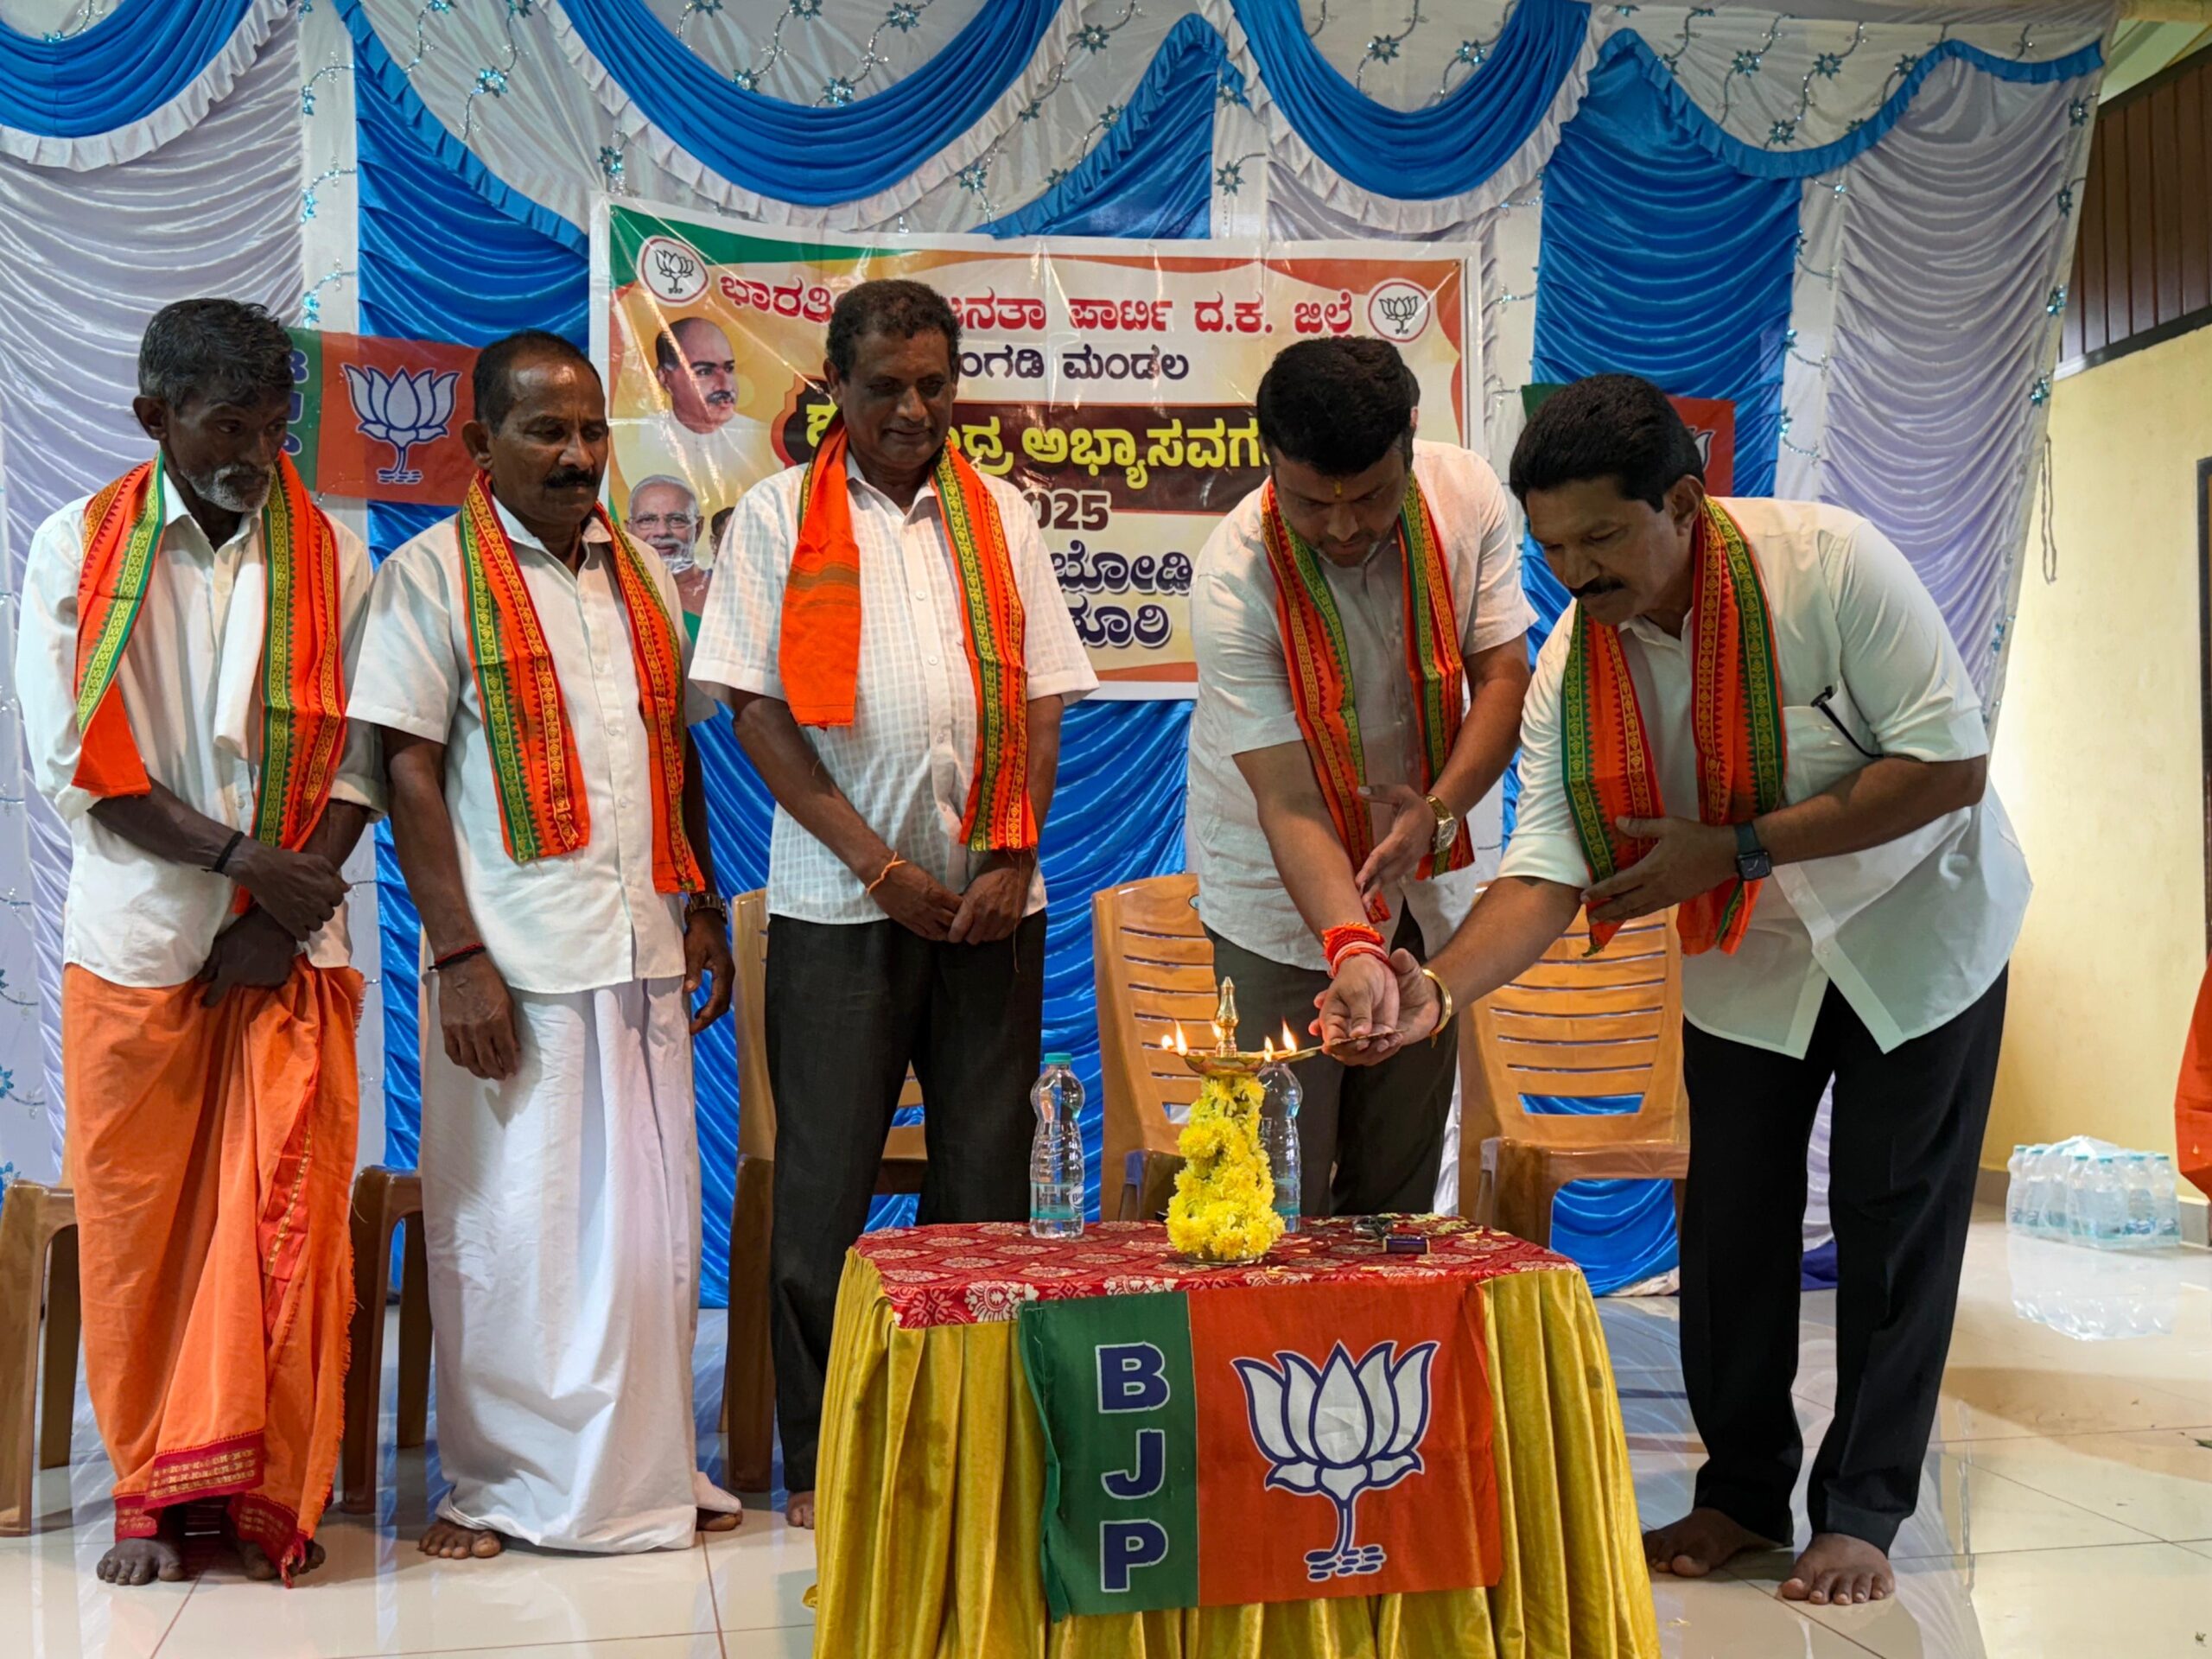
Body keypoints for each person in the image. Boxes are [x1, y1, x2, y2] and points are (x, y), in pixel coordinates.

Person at [1320, 374, 2030, 1607]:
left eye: (1602, 537)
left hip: (1920, 934)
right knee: (1732, 1225)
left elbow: (1949, 766)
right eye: (1552, 548)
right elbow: (1545, 872)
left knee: (1890, 1216)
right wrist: (1430, 990)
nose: (1576, 572)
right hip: (1746, 960)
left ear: (1686, 504)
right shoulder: (1572, 665)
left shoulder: (1832, 568)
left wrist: (1738, 848)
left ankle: (1862, 1511)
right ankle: (1742, 1496)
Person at [692, 279, 1096, 1529]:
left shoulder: (1003, 513)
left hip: (992, 908)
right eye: (886, 387)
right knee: (823, 1189)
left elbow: (1043, 696)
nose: (914, 409)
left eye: (934, 385)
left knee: (984, 1182)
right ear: (834, 387)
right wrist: (879, 867)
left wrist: (1011, 858)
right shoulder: (775, 516)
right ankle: (827, 1459)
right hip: (838, 907)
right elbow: (755, 710)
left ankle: (971, 1441)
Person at [348, 330, 744, 1557]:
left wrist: (706, 902)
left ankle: (644, 1475)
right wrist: (457, 956)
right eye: (546, 432)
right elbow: (406, 769)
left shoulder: (638, 574)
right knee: (516, 1236)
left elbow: (673, 751)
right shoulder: (428, 576)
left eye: (590, 432)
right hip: (511, 965)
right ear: (481, 443)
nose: (577, 456)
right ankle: (502, 1486)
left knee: (649, 1236)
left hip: (645, 948)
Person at [16, 298, 380, 1586]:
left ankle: (266, 1491)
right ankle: (147, 1495)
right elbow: (79, 762)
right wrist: (243, 869)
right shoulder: (77, 546)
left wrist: (283, 908)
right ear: (153, 417)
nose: (260, 448)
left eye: (277, 421)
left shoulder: (333, 553)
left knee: (286, 1218)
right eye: (231, 423)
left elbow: (368, 752)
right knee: (144, 1228)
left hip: (294, 949)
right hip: (139, 940)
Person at [1187, 338, 1530, 1217]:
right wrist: (1349, 944)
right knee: (1271, 1194)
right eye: (1310, 503)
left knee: (1397, 1199)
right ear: (1268, 460)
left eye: (1372, 497)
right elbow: (1289, 801)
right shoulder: (1233, 575)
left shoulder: (1467, 497)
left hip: (1430, 877)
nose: (1343, 528)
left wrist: (1442, 809)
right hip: (1280, 901)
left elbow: (1502, 678)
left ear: (1410, 441)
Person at [627, 473, 709, 614]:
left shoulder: (724, 591)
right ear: (629, 531)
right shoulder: (611, 593)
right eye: (647, 520)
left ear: (698, 528)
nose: (662, 531)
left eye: (677, 519)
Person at [656, 316, 737, 435]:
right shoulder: (637, 434)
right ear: (665, 378)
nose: (726, 386)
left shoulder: (759, 436)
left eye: (729, 369)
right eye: (704, 372)